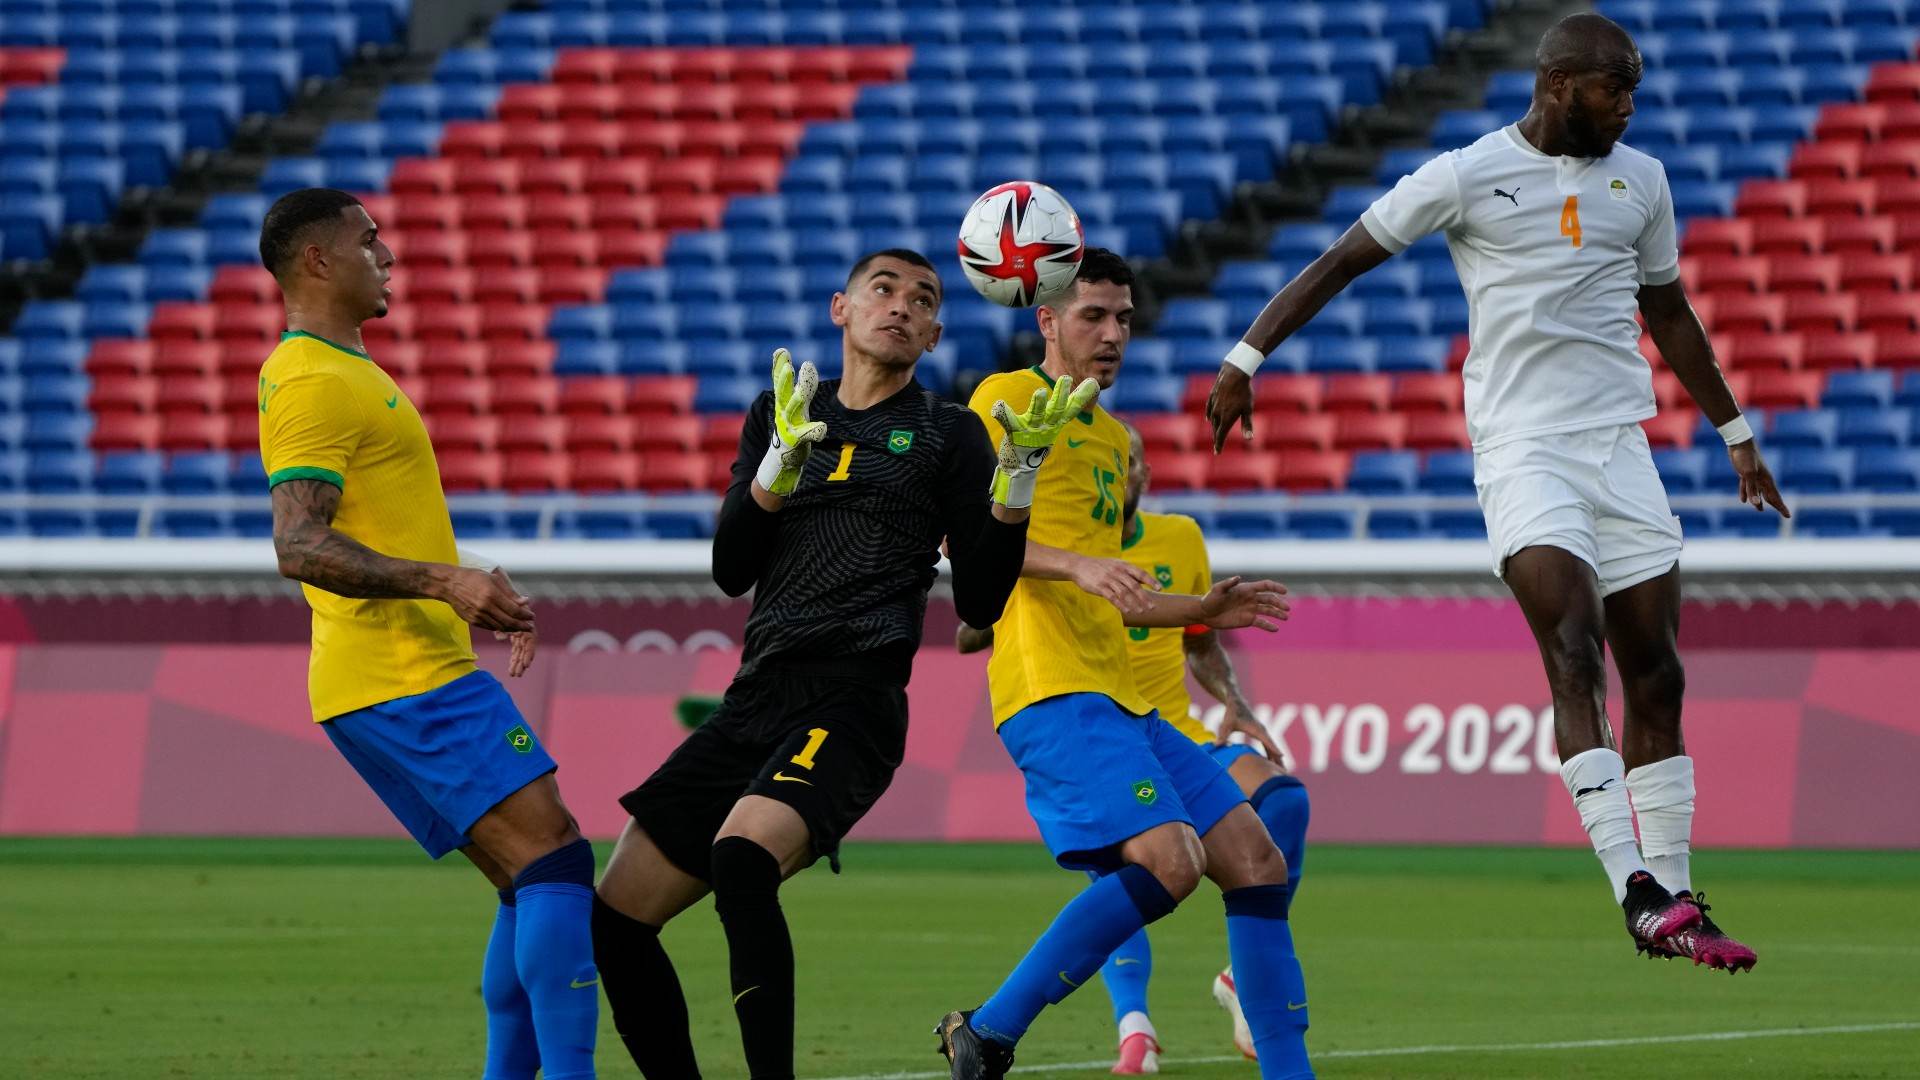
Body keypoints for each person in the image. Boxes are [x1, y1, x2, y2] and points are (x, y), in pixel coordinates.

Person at [1205, 14, 1779, 972]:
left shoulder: (1645, 181)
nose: (1630, 104)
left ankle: (1678, 895)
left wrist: (1736, 435)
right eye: (1614, 88)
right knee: (1572, 641)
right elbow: (1344, 259)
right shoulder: (1466, 174)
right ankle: (1632, 886)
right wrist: (1245, 355)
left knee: (1659, 671)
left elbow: (1668, 309)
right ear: (1558, 84)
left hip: (1622, 451)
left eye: (1633, 87)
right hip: (1523, 449)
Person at [590, 249, 1075, 1079]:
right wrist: (777, 462)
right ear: (839, 308)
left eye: (921, 300)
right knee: (615, 919)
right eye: (882, 289)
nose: (901, 306)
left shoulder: (946, 431)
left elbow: (981, 603)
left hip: (853, 700)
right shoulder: (782, 413)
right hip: (755, 698)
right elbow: (732, 569)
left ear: (933, 333)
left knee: (740, 859)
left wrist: (1017, 479)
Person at [938, 248, 1312, 1080]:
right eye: (1093, 317)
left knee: (1255, 858)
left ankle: (1291, 1072)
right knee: (1171, 860)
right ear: (1047, 321)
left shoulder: (1111, 441)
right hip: (1051, 687)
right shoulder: (1004, 401)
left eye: (1125, 320)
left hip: (1124, 699)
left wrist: (1203, 611)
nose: (1114, 335)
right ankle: (994, 1030)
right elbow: (967, 547)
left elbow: (1125, 594)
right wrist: (1071, 566)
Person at [256, 187, 598, 1079]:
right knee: (556, 856)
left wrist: (466, 571)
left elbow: (377, 520)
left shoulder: (348, 370)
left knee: (527, 880)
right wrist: (444, 582)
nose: (389, 255)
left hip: (392, 673)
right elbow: (298, 543)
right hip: (400, 672)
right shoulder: (310, 379)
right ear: (318, 262)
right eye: (370, 242)